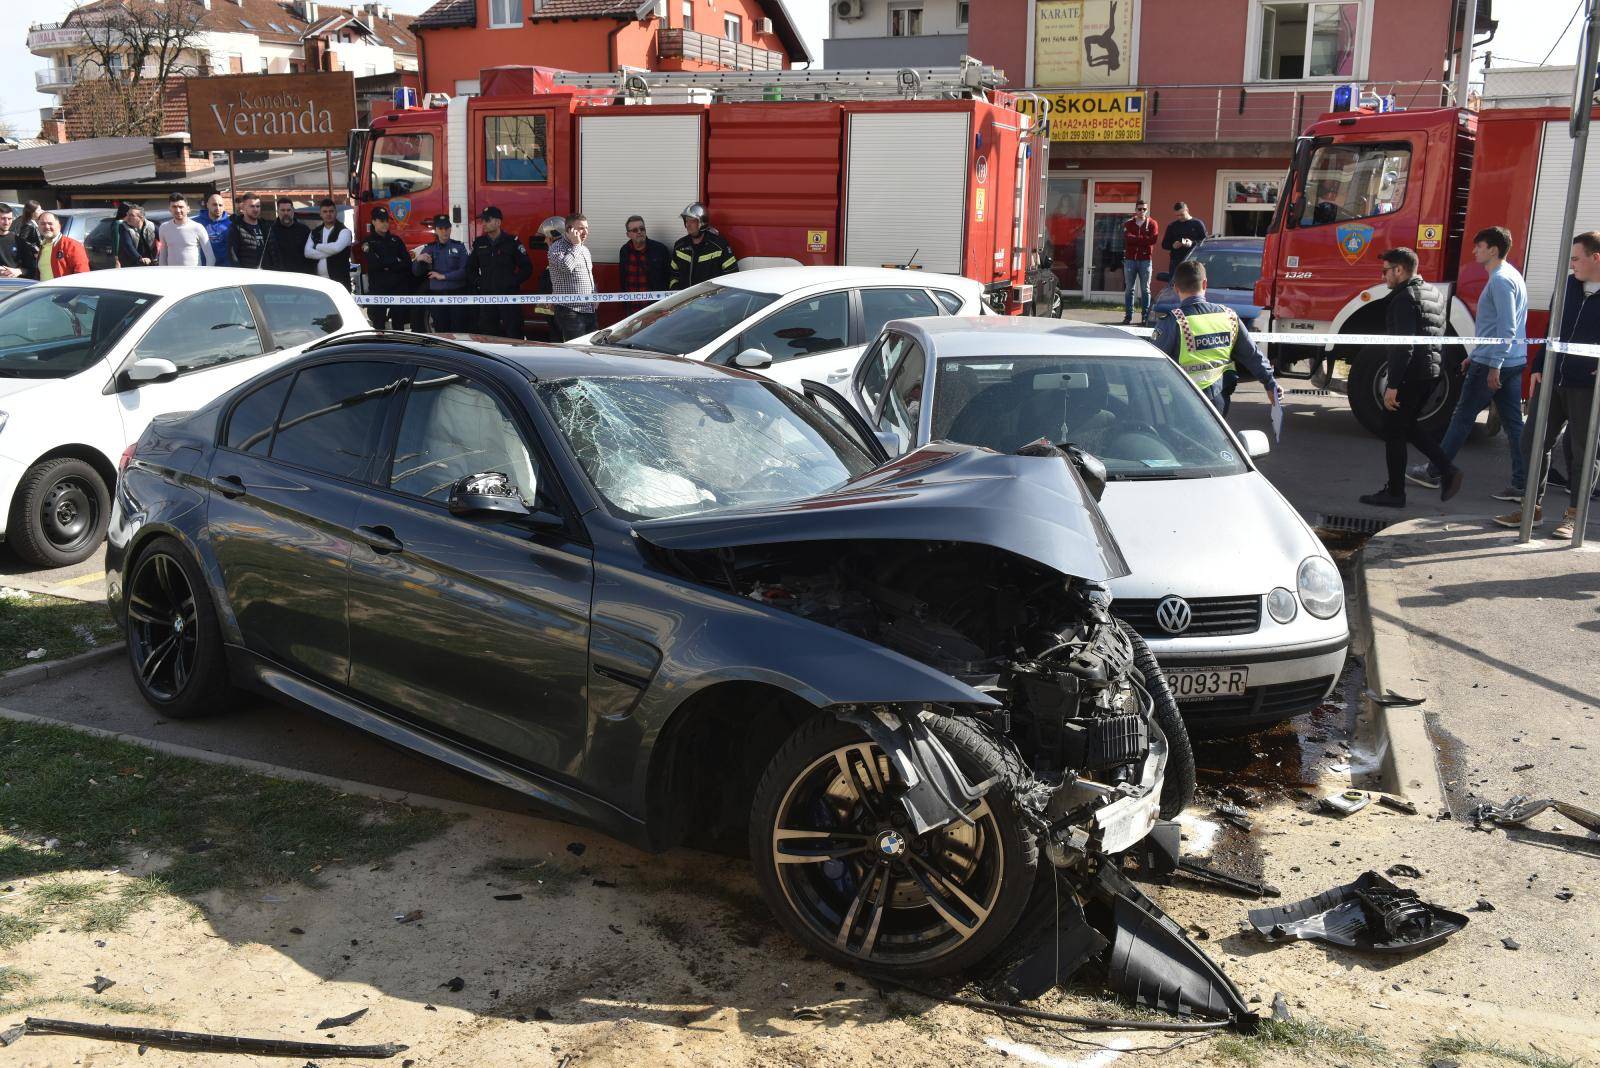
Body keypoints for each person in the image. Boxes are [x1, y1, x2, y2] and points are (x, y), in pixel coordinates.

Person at [1407, 226, 1529, 498]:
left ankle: (1434, 472)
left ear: (1493, 250)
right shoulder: (1512, 276)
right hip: (1510, 360)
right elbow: (1499, 327)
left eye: (1479, 246)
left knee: (1462, 418)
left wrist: (1492, 362)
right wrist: (1474, 355)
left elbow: (1506, 327)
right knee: (1513, 425)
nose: (1474, 251)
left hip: (1494, 362)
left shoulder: (1499, 280)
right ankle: (1522, 484)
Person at [1495, 231, 1600, 539]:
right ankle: (1531, 508)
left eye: (1577, 258)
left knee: (1582, 452)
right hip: (1552, 378)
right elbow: (1551, 329)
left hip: (1587, 388)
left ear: (1596, 258)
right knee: (1533, 441)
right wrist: (1539, 366)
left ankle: (1574, 516)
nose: (1572, 265)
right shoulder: (1567, 286)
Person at [1358, 248, 1460, 508]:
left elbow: (1404, 346)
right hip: (1432, 372)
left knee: (1393, 430)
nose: (1383, 277)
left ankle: (1395, 493)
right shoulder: (1433, 293)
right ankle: (1447, 470)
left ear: (1399, 270)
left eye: (1386, 271)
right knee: (1406, 426)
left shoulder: (1404, 298)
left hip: (1411, 374)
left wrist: (1392, 385)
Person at [1150, 258, 1281, 411]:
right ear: (1205, 283)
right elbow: (1253, 355)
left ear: (1176, 288)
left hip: (1184, 403)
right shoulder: (1229, 316)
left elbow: (1153, 364)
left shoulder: (1173, 321)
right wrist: (1270, 384)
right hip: (1220, 402)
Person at [466, 206, 532, 339]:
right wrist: (480, 283)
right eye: (482, 220)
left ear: (498, 222)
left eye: (487, 220)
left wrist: (512, 282)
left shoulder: (512, 242)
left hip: (509, 298)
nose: (483, 223)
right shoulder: (480, 243)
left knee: (514, 335)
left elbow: (527, 268)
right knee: (488, 336)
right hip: (487, 298)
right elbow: (469, 269)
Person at [414, 215, 470, 332]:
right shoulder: (429, 249)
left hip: (456, 296)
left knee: (459, 331)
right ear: (436, 230)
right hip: (437, 297)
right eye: (440, 229)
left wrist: (443, 276)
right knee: (441, 331)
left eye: (446, 228)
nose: (444, 232)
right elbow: (416, 272)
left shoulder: (459, 247)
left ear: (450, 229)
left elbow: (465, 271)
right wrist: (418, 260)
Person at [547, 212, 596, 341]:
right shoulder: (556, 248)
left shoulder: (584, 249)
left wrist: (595, 293)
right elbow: (565, 267)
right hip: (569, 309)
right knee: (577, 348)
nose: (585, 231)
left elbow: (589, 275)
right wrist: (575, 245)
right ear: (570, 230)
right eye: (581, 228)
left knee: (593, 347)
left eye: (586, 228)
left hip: (588, 308)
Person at [361, 205, 412, 330]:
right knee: (379, 325)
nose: (385, 224)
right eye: (381, 221)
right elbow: (374, 264)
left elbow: (407, 263)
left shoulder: (396, 240)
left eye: (386, 221)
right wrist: (394, 261)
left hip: (397, 288)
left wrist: (386, 263)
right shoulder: (368, 242)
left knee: (399, 326)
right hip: (379, 288)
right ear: (373, 222)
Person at [670, 202, 737, 289]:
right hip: (686, 300)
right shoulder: (680, 246)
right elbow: (673, 274)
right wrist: (676, 292)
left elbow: (731, 275)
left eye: (692, 221)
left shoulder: (719, 246)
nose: (687, 225)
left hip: (712, 300)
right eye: (686, 220)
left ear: (702, 223)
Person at [1121, 199, 1157, 325]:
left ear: (1147, 210)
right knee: (1129, 289)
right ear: (1135, 210)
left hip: (1145, 260)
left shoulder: (1152, 223)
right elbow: (1127, 238)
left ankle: (1145, 317)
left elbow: (1153, 240)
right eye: (1139, 209)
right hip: (1130, 260)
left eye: (1144, 209)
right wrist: (1143, 239)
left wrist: (1135, 239)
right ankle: (1128, 316)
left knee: (1145, 289)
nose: (1142, 211)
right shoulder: (1128, 224)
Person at [304, 197, 353, 290]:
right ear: (320, 214)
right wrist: (330, 251)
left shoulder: (344, 231)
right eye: (325, 211)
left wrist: (316, 246)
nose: (328, 214)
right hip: (318, 281)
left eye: (331, 211)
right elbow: (307, 253)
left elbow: (336, 248)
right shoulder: (315, 232)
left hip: (339, 282)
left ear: (336, 213)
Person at [157, 194, 215, 266]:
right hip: (172, 275)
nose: (178, 210)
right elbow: (163, 255)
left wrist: (206, 275)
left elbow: (210, 257)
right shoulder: (164, 227)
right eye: (174, 207)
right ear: (170, 209)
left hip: (193, 275)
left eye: (181, 207)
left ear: (188, 209)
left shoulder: (197, 227)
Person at [619, 214, 670, 294]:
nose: (639, 232)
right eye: (635, 230)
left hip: (655, 304)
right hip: (631, 305)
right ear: (628, 235)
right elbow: (623, 279)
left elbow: (668, 278)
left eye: (642, 229)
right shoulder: (624, 251)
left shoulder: (660, 250)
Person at [264, 197, 312, 274]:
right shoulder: (270, 231)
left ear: (293, 211)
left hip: (302, 276)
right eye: (283, 210)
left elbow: (310, 255)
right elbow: (268, 257)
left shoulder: (304, 230)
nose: (286, 213)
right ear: (278, 211)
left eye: (288, 210)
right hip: (280, 277)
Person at [35, 212, 89, 279]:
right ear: (38, 227)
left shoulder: (72, 245)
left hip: (63, 289)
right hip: (44, 289)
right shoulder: (42, 246)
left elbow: (82, 275)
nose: (46, 226)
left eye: (50, 223)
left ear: (59, 226)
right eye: (42, 224)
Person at [1160, 202, 1206, 276]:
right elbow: (1164, 244)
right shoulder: (1172, 226)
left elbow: (1205, 242)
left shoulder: (1197, 224)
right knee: (1175, 283)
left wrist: (1192, 243)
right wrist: (1173, 246)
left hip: (1194, 260)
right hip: (1176, 260)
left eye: (1182, 214)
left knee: (1192, 284)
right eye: (1177, 215)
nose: (1180, 217)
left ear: (1187, 210)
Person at [228, 193, 269, 269]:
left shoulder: (266, 227)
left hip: (266, 274)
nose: (256, 209)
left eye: (258, 206)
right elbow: (233, 256)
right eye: (252, 206)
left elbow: (273, 252)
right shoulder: (236, 228)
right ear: (244, 207)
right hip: (247, 275)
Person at [196, 190, 232, 267]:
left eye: (220, 205)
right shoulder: (196, 223)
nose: (218, 208)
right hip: (203, 268)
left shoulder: (231, 224)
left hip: (225, 268)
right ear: (207, 205)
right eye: (214, 204)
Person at [14, 201, 44, 280]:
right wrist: (35, 249)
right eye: (39, 210)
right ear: (32, 212)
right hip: (30, 257)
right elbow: (22, 240)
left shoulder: (21, 219)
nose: (41, 211)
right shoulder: (28, 224)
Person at [0, 204, 23, 278]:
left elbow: (30, 268)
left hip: (14, 285)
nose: (6, 222)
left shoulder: (19, 241)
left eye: (9, 219)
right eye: (3, 218)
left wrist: (18, 271)